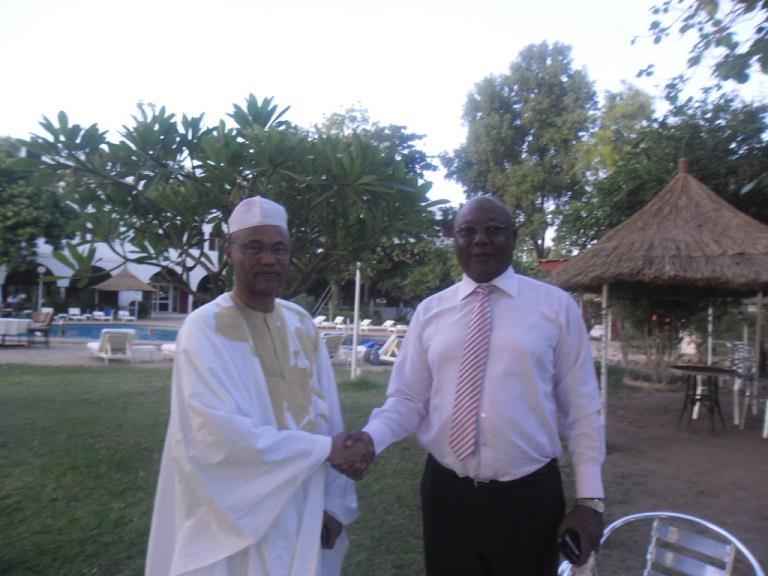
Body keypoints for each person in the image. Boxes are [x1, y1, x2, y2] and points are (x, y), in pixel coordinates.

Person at [351, 195, 606, 575]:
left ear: (514, 237)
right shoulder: (431, 311)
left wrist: (590, 500)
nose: (480, 240)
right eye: (467, 231)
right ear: (454, 239)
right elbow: (408, 399)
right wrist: (371, 438)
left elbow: (582, 411)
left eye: (494, 230)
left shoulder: (556, 307)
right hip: (446, 493)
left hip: (528, 497)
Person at [145, 196, 368, 576]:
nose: (268, 259)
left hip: (305, 501)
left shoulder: (302, 323)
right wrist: (325, 449)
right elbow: (214, 436)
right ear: (230, 252)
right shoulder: (204, 328)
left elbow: (329, 415)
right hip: (235, 513)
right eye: (254, 247)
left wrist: (334, 504)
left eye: (279, 249)